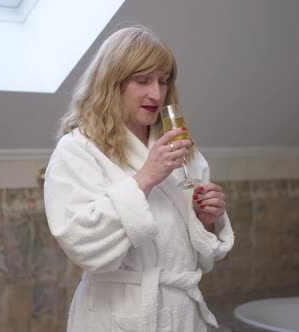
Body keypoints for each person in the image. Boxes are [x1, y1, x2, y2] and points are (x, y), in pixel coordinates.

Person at [43, 26, 234, 332]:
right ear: (112, 83)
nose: (156, 94)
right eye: (142, 80)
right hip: (116, 316)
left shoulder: (179, 146)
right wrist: (145, 178)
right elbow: (81, 242)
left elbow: (200, 256)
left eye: (163, 80)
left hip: (183, 315)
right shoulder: (77, 150)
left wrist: (206, 219)